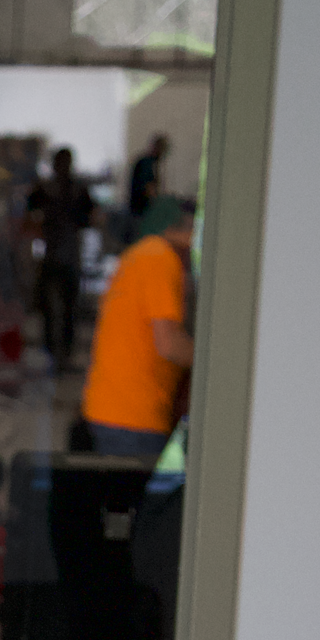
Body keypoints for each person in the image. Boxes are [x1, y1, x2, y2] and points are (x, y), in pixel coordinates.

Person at [79, 194, 195, 466]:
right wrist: (217, 368)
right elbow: (168, 343)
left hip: (111, 409)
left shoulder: (138, 255)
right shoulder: (160, 259)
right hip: (135, 418)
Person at [23, 147, 96, 371]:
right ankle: (59, 352)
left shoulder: (56, 189)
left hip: (59, 254)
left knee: (61, 308)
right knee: (60, 308)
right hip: (59, 254)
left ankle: (58, 352)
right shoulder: (65, 189)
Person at [128, 130, 169, 227]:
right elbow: (149, 187)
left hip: (138, 210)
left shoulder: (145, 162)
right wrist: (157, 204)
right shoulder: (147, 163)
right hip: (141, 211)